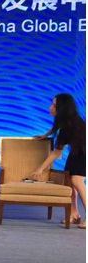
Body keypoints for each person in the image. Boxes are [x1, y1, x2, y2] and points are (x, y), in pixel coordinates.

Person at [32, 93, 86, 229]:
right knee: (69, 183)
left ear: (63, 108)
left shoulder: (69, 125)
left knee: (77, 181)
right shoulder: (64, 120)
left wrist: (40, 169)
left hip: (84, 153)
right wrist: (45, 135)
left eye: (55, 106)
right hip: (76, 153)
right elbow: (55, 128)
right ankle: (74, 215)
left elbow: (57, 152)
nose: (51, 108)